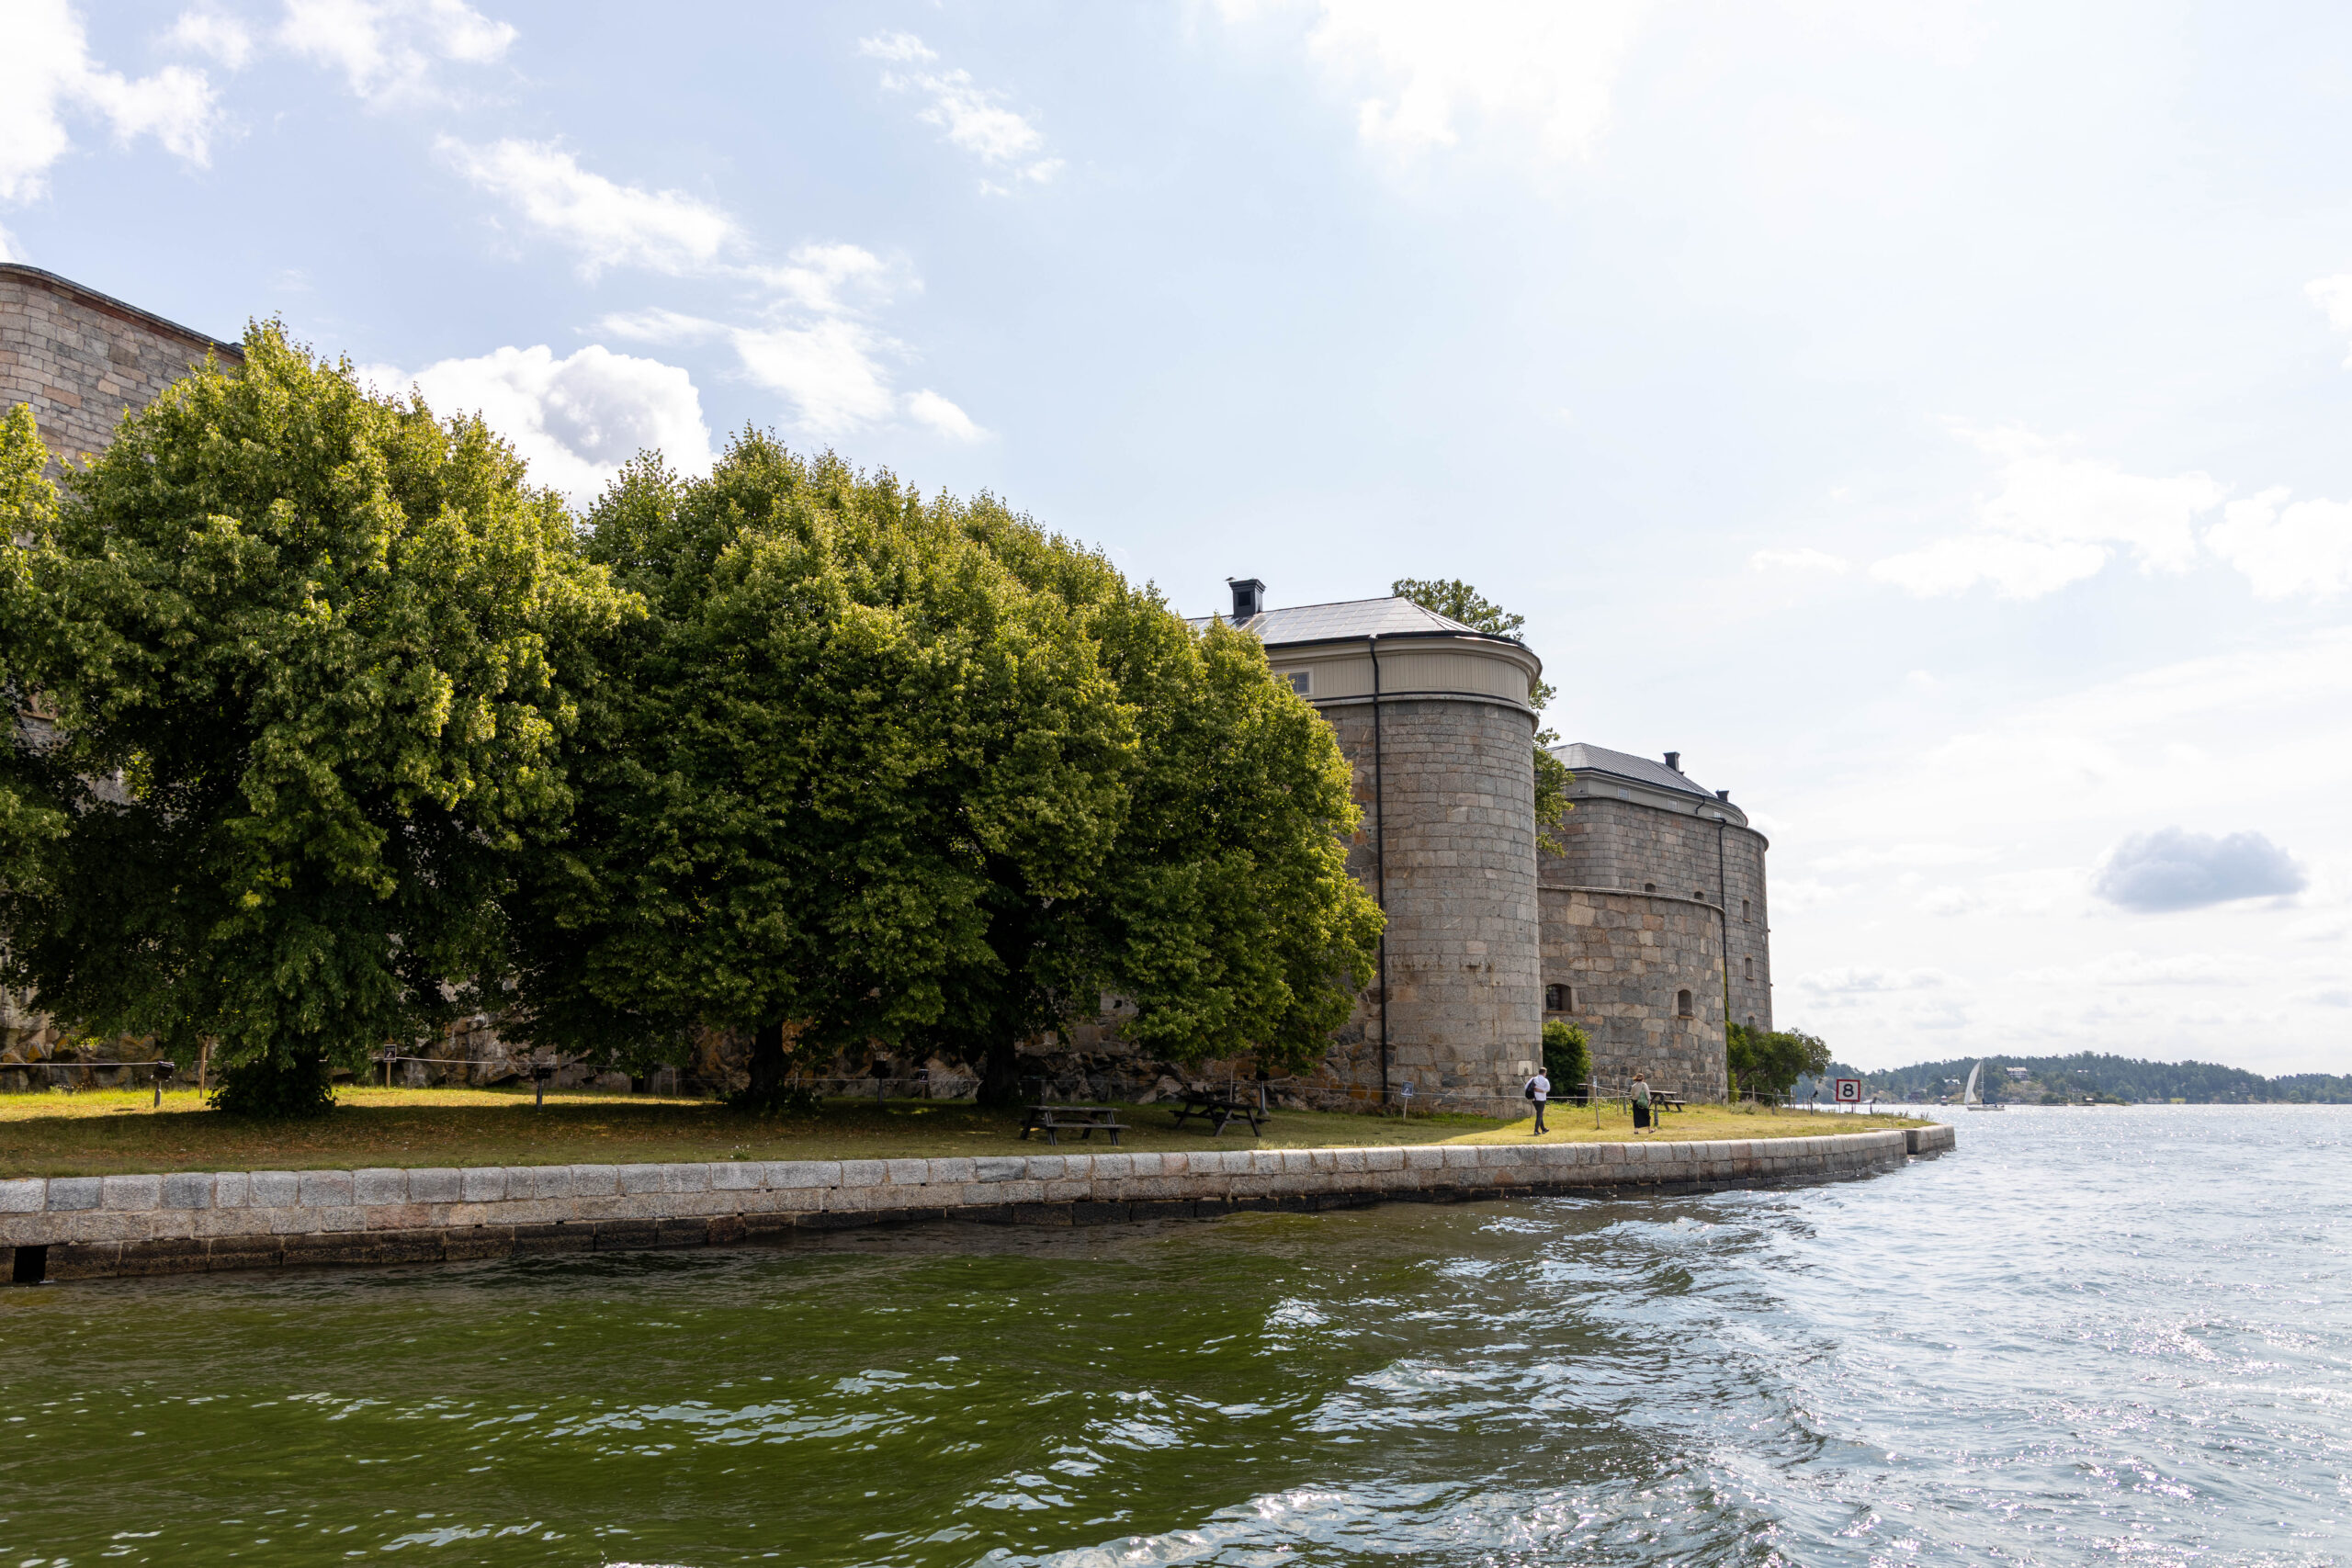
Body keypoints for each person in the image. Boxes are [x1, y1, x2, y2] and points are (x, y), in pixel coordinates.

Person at [1525, 1065, 1550, 1134]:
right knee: (1539, 1115)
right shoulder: (1545, 1080)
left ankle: (1543, 1129)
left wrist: (1534, 1090)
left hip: (1534, 1099)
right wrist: (1540, 1090)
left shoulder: (1533, 1079)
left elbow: (1526, 1087)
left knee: (1540, 1114)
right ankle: (1536, 1130)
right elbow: (1547, 1089)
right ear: (1544, 1073)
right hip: (1541, 1099)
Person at [1631, 1069, 1652, 1134]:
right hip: (1643, 1102)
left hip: (1636, 1102)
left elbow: (1632, 1093)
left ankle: (1636, 1130)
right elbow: (1647, 1092)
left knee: (1636, 1116)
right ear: (1643, 1079)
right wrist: (1649, 1100)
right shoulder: (1644, 1085)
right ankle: (1649, 1130)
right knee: (1646, 1116)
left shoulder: (1633, 1086)